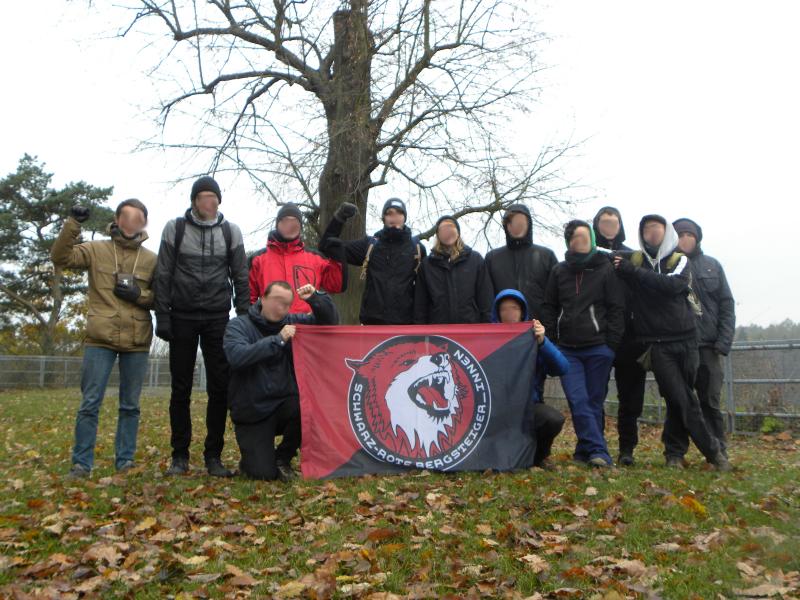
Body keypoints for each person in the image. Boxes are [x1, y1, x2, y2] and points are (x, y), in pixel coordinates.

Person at [614, 215, 731, 470]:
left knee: (682, 399)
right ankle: (714, 453)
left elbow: (673, 286)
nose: (651, 232)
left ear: (666, 232)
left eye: (656, 227)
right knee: (681, 397)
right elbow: (604, 252)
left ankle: (675, 453)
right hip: (657, 343)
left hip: (687, 340)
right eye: (646, 229)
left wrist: (634, 273)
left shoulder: (680, 261)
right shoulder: (635, 259)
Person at [51, 200, 156, 479]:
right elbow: (61, 258)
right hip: (100, 338)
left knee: (130, 406)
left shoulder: (151, 259)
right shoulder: (96, 250)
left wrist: (140, 295)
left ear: (144, 223)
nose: (132, 222)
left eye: (139, 218)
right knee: (90, 403)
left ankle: (125, 462)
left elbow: (161, 298)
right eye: (127, 216)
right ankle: (81, 464)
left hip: (137, 340)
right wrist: (73, 224)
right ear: (118, 219)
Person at [153, 176, 250, 477]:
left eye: (214, 197)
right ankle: (179, 456)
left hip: (217, 317)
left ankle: (213, 456)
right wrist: (163, 315)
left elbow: (241, 276)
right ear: (194, 201)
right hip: (181, 316)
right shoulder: (175, 228)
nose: (210, 202)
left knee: (219, 388)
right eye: (204, 196)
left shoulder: (231, 232)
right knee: (179, 388)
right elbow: (163, 274)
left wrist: (243, 315)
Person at [223, 282, 338, 481]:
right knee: (262, 474)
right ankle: (255, 460)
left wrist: (316, 299)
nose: (281, 308)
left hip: (284, 403)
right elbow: (237, 357)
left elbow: (329, 323)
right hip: (252, 410)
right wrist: (278, 340)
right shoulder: (238, 325)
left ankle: (283, 457)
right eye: (277, 301)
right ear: (263, 298)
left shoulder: (292, 322)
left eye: (286, 304)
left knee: (309, 407)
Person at [542, 220, 625, 467]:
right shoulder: (559, 271)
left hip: (599, 347)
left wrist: (611, 344)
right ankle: (600, 451)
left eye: (584, 236)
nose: (581, 241)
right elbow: (549, 307)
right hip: (568, 350)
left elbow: (616, 308)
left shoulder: (605, 268)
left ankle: (583, 451)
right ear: (569, 242)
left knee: (593, 402)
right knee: (578, 400)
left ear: (591, 238)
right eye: (575, 238)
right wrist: (552, 341)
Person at [673, 217, 735, 458]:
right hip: (679, 345)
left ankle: (718, 449)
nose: (685, 239)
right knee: (679, 401)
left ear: (697, 237)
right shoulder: (669, 266)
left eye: (690, 234)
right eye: (680, 235)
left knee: (710, 402)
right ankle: (675, 452)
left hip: (709, 346)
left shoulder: (712, 265)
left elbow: (727, 304)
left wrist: (723, 342)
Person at [592, 206, 647, 465]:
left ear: (620, 225)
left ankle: (627, 449)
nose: (609, 227)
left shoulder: (633, 256)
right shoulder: (588, 255)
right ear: (596, 225)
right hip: (598, 334)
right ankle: (597, 445)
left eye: (614, 223)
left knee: (631, 398)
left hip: (630, 337)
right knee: (596, 394)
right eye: (604, 222)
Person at [491, 289, 568, 469]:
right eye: (504, 309)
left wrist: (543, 342)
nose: (510, 313)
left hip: (528, 407)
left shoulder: (533, 338)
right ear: (497, 312)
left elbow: (562, 368)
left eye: (514, 308)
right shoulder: (488, 340)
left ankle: (539, 457)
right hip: (495, 409)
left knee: (553, 419)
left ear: (523, 311)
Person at [319, 198, 426, 324]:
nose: (394, 217)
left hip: (405, 326)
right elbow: (326, 246)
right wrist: (339, 218)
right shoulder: (370, 245)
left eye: (399, 213)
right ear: (384, 218)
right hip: (372, 324)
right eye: (389, 213)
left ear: (404, 217)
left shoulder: (417, 249)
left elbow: (424, 291)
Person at [248, 202, 348, 312]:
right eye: (285, 221)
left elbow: (336, 285)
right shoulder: (258, 259)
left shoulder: (316, 258)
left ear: (300, 226)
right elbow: (248, 299)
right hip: (270, 327)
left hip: (308, 326)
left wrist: (337, 255)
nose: (290, 225)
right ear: (277, 224)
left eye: (294, 222)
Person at [413, 216, 493, 324]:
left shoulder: (475, 260)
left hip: (471, 329)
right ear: (438, 234)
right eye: (443, 229)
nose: (447, 231)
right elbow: (420, 305)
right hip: (438, 332)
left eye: (451, 227)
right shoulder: (427, 265)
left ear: (458, 232)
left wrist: (486, 327)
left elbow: (485, 299)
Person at [484, 204, 558, 320]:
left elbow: (555, 298)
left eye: (521, 222)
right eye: (512, 222)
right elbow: (486, 300)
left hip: (539, 329)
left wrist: (548, 329)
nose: (516, 226)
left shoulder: (547, 256)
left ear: (528, 224)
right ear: (506, 226)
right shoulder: (492, 259)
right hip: (503, 331)